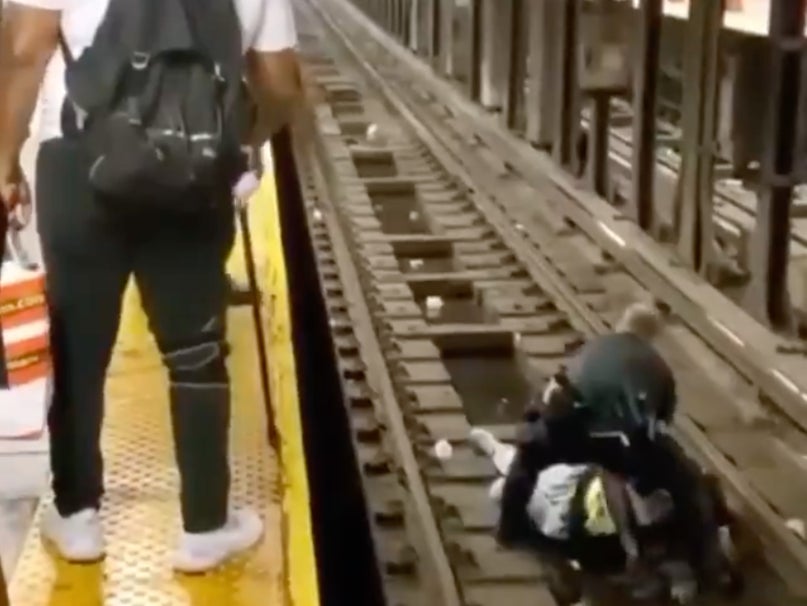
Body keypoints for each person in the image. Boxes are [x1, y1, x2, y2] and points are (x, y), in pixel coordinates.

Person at [0, 0, 303, 572]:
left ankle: (77, 516)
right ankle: (205, 527)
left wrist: (4, 161)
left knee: (77, 347)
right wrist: (234, 143)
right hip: (193, 169)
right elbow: (282, 85)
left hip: (80, 160)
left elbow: (24, 48)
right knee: (197, 351)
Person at [496, 302, 733, 592]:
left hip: (564, 426)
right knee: (687, 483)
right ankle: (711, 567)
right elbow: (659, 422)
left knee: (526, 464)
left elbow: (556, 391)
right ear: (651, 336)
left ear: (622, 325)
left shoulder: (590, 348)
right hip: (615, 441)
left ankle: (510, 530)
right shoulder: (657, 365)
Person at [470, 427, 700, 603]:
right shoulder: (621, 499)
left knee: (512, 473)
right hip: (566, 500)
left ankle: (493, 450)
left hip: (565, 513)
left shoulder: (641, 530)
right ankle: (492, 449)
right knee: (510, 469)